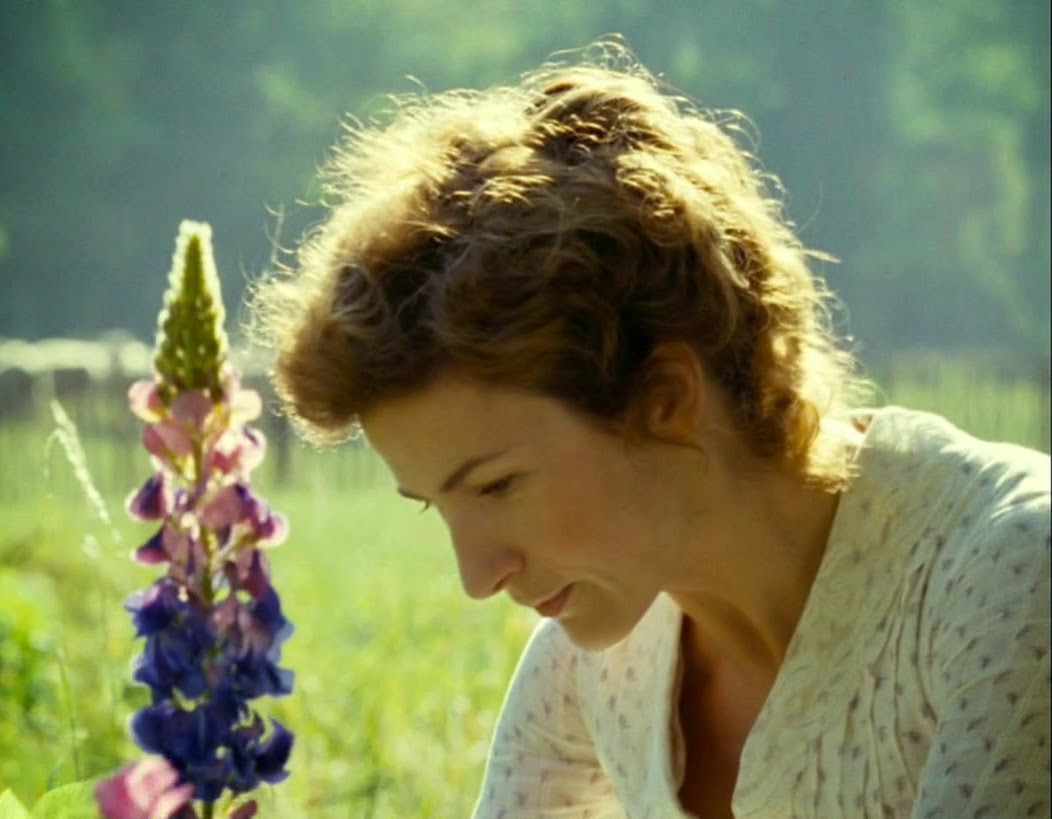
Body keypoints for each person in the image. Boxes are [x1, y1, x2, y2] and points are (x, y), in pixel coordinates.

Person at [249, 44, 1050, 818]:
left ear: (665, 396)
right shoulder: (594, 667)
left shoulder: (1007, 576)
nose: (478, 576)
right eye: (436, 505)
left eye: (496, 486)